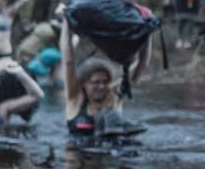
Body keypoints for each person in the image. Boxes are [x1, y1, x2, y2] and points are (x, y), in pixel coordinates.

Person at [60, 16, 148, 144]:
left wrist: (147, 32)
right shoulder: (74, 100)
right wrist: (66, 22)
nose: (101, 86)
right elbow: (68, 61)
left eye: (105, 82)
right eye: (95, 82)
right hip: (79, 154)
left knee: (110, 116)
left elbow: (141, 63)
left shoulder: (114, 96)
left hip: (111, 153)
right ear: (84, 83)